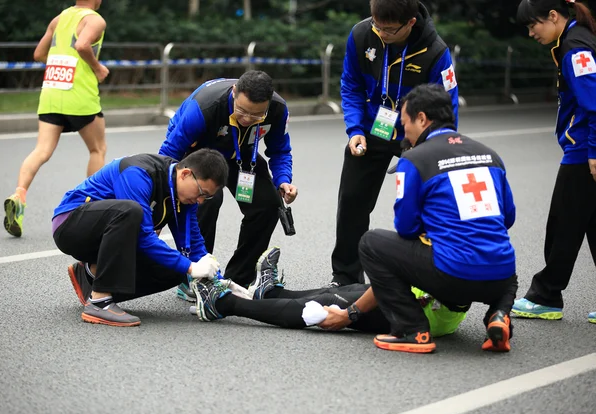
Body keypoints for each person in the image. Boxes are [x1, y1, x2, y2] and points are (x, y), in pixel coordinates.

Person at [335, 84, 517, 354]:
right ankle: (499, 314)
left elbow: (406, 227)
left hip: (454, 278)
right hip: (501, 277)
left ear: (422, 119)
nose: (403, 130)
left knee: (371, 243)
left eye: (405, 122)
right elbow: (508, 218)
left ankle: (412, 329)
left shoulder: (415, 159)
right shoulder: (491, 155)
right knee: (500, 259)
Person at [330, 0, 460, 287]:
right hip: (370, 129)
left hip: (414, 137)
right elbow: (351, 83)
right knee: (352, 202)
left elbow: (447, 109)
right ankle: (345, 277)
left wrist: (430, 149)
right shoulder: (362, 34)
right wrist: (354, 130)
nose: (381, 33)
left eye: (388, 30)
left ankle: (423, 280)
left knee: (419, 208)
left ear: (411, 22)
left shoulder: (436, 52)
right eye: (376, 24)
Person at [159, 70, 298, 302]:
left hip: (243, 154)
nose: (246, 119)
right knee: (205, 200)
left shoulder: (278, 109)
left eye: (256, 115)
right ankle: (193, 278)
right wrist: (164, 197)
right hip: (199, 151)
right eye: (242, 111)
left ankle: (237, 279)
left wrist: (283, 179)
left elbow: (280, 149)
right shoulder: (204, 108)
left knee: (267, 204)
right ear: (234, 93)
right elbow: (167, 155)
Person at [52, 149, 228, 327]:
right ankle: (99, 302)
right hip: (70, 225)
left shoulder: (183, 195)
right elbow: (144, 238)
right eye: (201, 192)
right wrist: (191, 267)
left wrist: (222, 284)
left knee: (176, 271)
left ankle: (90, 277)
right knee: (131, 211)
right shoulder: (138, 173)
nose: (200, 201)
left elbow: (194, 246)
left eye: (207, 197)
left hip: (105, 237)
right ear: (185, 174)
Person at [513, 0, 596, 324]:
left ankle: (546, 295)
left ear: (553, 16)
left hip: (583, 153)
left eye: (533, 24)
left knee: (563, 223)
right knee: (590, 223)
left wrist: (592, 152)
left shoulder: (575, 48)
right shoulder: (577, 39)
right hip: (584, 149)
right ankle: (546, 293)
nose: (531, 32)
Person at [189, 247, 468, 340]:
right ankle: (270, 293)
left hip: (424, 312)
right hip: (420, 298)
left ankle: (223, 304)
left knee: (326, 304)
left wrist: (350, 314)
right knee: (344, 290)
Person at [4, 0, 109, 237]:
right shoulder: (95, 19)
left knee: (41, 150)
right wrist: (97, 68)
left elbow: (39, 53)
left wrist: (60, 62)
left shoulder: (59, 19)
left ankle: (18, 195)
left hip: (52, 93)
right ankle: (91, 207)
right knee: (97, 149)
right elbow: (83, 45)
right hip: (79, 96)